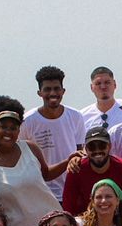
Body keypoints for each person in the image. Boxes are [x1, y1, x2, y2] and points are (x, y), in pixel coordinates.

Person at [0, 97, 69, 226]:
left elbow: (46, 174)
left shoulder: (30, 148)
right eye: (3, 127)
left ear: (19, 131)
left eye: (13, 128)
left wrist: (69, 161)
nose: (8, 132)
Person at [21, 65, 87, 200]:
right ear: (39, 92)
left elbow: (80, 151)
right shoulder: (28, 121)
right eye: (47, 89)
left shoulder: (75, 116)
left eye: (56, 89)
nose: (52, 93)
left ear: (63, 91)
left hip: (71, 190)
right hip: (41, 193)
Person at [60, 125, 122, 216]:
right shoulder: (75, 169)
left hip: (115, 218)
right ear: (86, 149)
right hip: (83, 219)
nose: (97, 150)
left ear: (109, 146)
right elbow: (68, 208)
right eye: (92, 147)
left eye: (102, 146)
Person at [79, 65, 122, 132]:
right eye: (98, 83)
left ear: (114, 84)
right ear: (92, 87)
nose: (103, 87)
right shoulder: (82, 116)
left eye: (107, 82)